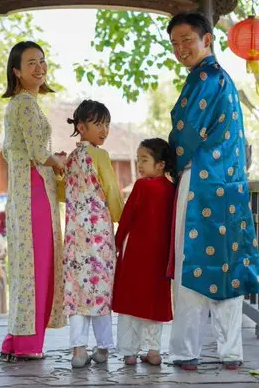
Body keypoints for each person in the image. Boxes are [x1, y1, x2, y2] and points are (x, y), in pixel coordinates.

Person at [166, 12, 259, 370]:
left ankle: (185, 351)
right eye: (174, 43)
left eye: (186, 40)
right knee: (228, 266)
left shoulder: (203, 78)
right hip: (231, 186)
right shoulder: (223, 79)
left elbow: (186, 133)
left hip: (199, 181)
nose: (180, 48)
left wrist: (169, 164)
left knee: (190, 264)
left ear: (207, 39)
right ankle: (231, 352)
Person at [0, 41, 67, 362]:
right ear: (16, 71)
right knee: (36, 265)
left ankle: (16, 340)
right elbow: (40, 153)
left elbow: (25, 151)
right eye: (31, 63)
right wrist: (61, 161)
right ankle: (26, 344)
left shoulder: (23, 104)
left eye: (42, 61)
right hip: (33, 193)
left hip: (27, 191)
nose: (39, 68)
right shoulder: (24, 104)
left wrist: (52, 159)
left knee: (27, 265)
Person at [62, 99, 124, 368]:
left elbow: (64, 193)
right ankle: (103, 349)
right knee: (100, 288)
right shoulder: (100, 156)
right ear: (81, 127)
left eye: (107, 124)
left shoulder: (71, 158)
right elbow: (111, 191)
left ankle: (78, 350)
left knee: (75, 290)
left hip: (74, 235)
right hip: (98, 234)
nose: (104, 130)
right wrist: (123, 219)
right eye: (98, 124)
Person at [112, 138, 176, 366]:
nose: (139, 164)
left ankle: (129, 352)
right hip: (160, 256)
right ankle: (154, 351)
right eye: (138, 159)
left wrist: (117, 242)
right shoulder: (172, 189)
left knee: (132, 299)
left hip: (136, 255)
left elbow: (127, 217)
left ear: (160, 164)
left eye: (144, 160)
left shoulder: (142, 186)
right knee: (153, 301)